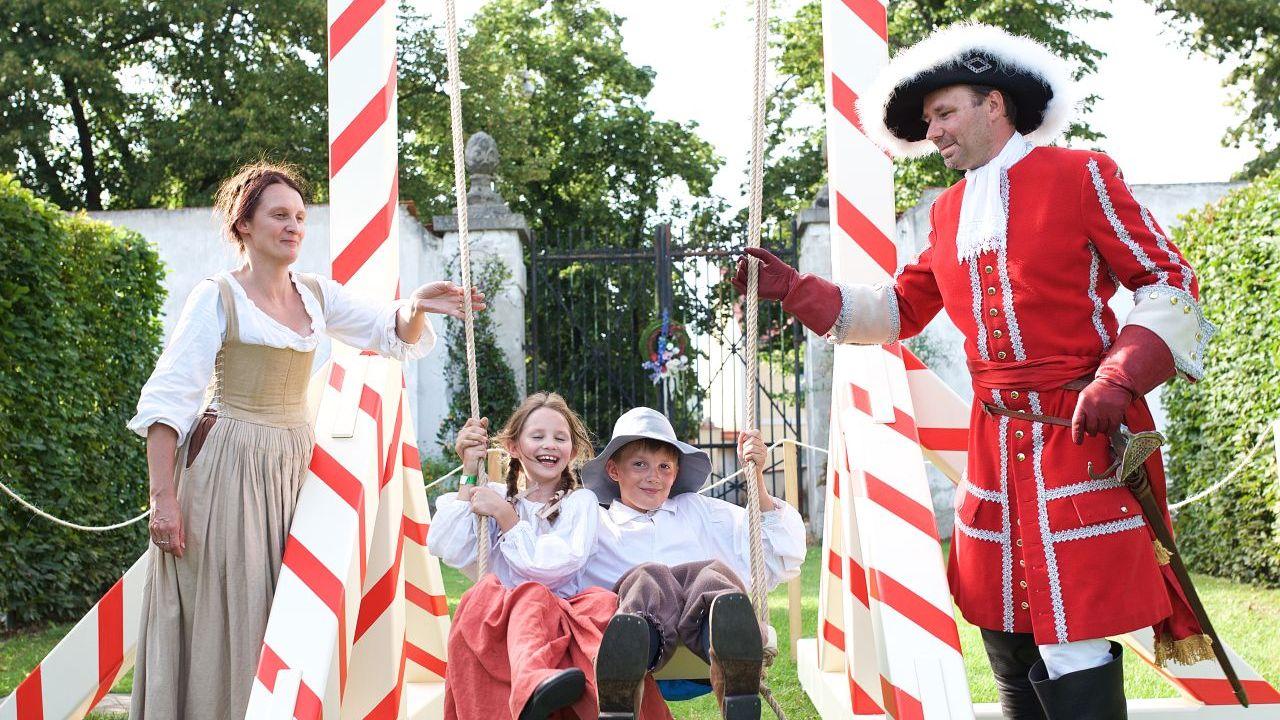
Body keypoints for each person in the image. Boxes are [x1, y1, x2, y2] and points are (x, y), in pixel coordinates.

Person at [735, 23, 1216, 719]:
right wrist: (794, 289)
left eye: (944, 111)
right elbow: (899, 309)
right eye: (927, 119)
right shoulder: (949, 210)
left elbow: (1170, 282)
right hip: (994, 446)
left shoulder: (1081, 174)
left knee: (1071, 629)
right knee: (1004, 628)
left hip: (1076, 430)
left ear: (996, 104)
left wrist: (1121, 377)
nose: (931, 130)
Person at [128, 161, 482, 719]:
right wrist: (163, 500)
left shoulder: (314, 294)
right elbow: (167, 405)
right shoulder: (216, 297)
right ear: (244, 225)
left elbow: (388, 331)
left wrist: (414, 305)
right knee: (236, 608)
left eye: (300, 217)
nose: (293, 226)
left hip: (297, 469)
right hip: (230, 469)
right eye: (279, 215)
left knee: (290, 612)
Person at [431, 392, 664, 720]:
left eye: (560, 438)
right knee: (520, 597)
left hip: (562, 616)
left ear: (573, 449)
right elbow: (447, 546)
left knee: (601, 603)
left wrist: (508, 521)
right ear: (514, 447)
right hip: (506, 621)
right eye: (537, 436)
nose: (550, 445)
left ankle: (615, 693)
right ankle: (532, 690)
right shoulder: (498, 497)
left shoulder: (579, 503)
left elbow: (553, 566)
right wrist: (470, 471)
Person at [582, 408, 807, 720]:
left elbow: (772, 551)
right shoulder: (595, 523)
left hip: (703, 642)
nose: (653, 476)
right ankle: (620, 683)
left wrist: (756, 478)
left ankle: (735, 669)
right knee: (648, 576)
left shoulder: (696, 510)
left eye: (664, 466)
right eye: (639, 465)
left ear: (676, 474)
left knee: (712, 575)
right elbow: (551, 565)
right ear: (614, 470)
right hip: (643, 638)